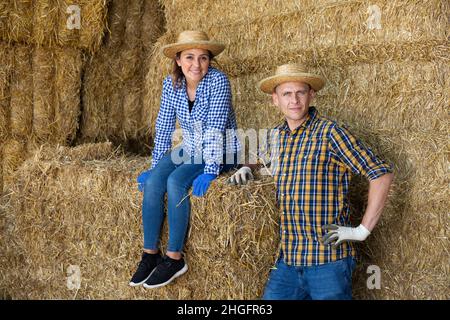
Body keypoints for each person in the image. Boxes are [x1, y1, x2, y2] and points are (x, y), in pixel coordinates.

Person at [228, 64, 393, 300]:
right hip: (289, 260)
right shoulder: (276, 135)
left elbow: (381, 173)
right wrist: (246, 166)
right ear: (275, 99)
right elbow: (259, 157)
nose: (294, 100)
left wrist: (361, 231)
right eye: (286, 94)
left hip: (328, 262)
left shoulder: (330, 133)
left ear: (311, 95)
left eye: (300, 92)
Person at [129, 30, 240, 289]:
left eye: (203, 58)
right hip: (189, 146)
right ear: (178, 60)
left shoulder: (218, 81)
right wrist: (155, 166)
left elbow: (215, 128)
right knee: (156, 180)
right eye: (189, 57)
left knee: (177, 181)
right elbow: (165, 125)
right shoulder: (171, 84)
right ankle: (149, 254)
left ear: (210, 61)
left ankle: (175, 257)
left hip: (221, 149)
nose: (196, 64)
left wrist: (212, 169)